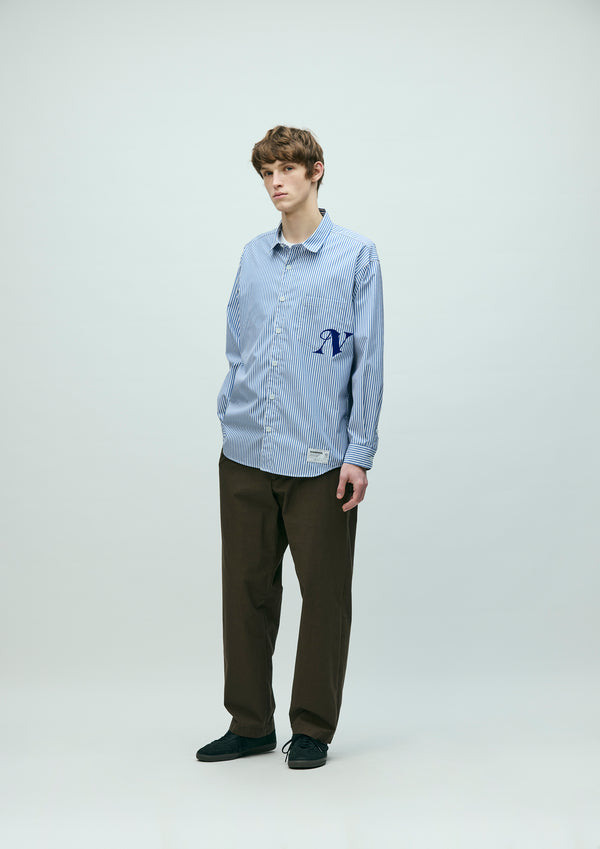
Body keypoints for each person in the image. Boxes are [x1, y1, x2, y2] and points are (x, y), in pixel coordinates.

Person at [195, 125, 384, 769]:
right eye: (266, 173)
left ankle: (312, 728)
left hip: (320, 460)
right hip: (246, 454)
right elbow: (237, 341)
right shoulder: (253, 254)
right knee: (245, 593)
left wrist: (359, 451)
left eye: (286, 170)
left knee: (325, 598)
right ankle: (249, 723)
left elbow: (368, 358)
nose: (275, 182)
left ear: (315, 171)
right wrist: (230, 413)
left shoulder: (356, 255)